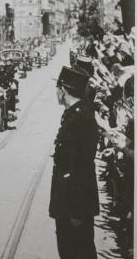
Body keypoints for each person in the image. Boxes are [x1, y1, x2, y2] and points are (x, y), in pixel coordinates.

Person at [49, 66, 99, 259]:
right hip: (69, 202)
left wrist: (77, 210)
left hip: (74, 205)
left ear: (63, 89)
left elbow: (81, 166)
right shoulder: (75, 114)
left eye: (57, 88)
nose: (56, 92)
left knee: (79, 250)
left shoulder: (80, 118)